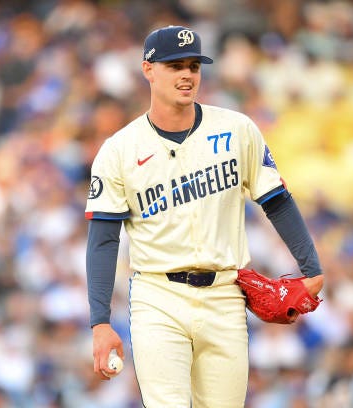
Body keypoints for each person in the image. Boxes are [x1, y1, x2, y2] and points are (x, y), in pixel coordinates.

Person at [84, 25, 324, 407]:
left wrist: (311, 268)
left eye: (194, 66)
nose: (187, 75)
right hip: (158, 296)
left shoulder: (236, 129)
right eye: (175, 65)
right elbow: (103, 238)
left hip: (225, 295)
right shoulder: (119, 150)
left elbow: (276, 199)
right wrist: (99, 322)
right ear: (148, 69)